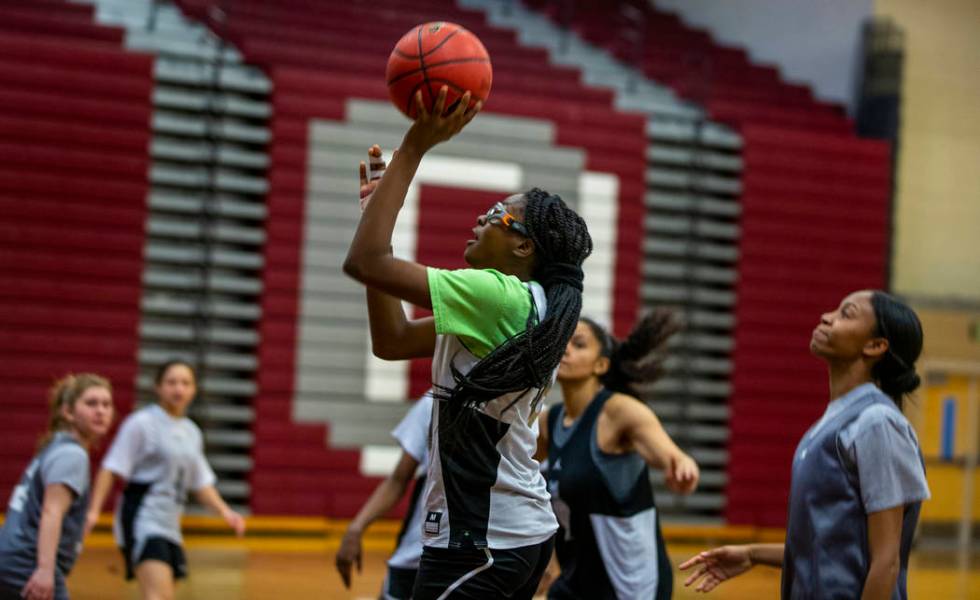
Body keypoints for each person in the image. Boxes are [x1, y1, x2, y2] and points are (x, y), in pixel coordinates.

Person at [343, 87, 593, 599]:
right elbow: (390, 341)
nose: (481, 218)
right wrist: (375, 219)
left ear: (525, 246)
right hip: (511, 534)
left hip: (482, 538)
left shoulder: (497, 297)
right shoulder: (524, 304)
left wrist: (412, 148)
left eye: (498, 213)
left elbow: (364, 264)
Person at [680, 290, 930, 599]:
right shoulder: (831, 422)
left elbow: (886, 561)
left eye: (846, 314)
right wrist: (752, 554)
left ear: (875, 346)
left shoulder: (876, 422)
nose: (827, 316)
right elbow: (826, 549)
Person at [537, 311, 699, 599]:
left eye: (579, 344)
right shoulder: (548, 422)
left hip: (629, 582)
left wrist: (682, 466)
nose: (566, 348)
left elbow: (668, 454)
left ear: (601, 365)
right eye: (564, 340)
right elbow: (529, 491)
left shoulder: (619, 411)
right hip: (576, 577)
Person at [85, 360, 245, 600]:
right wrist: (93, 511)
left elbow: (201, 483)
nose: (178, 389)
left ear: (194, 389)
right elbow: (111, 467)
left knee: (166, 594)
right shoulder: (141, 423)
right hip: (142, 519)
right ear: (158, 387)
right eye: (171, 382)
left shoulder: (192, 431)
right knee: (157, 595)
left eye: (185, 383)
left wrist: (225, 512)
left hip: (171, 524)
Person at [0, 373, 115, 600]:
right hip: (26, 563)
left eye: (106, 404)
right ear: (68, 412)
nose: (101, 411)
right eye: (91, 403)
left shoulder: (55, 446)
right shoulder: (72, 455)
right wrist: (44, 570)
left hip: (10, 558)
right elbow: (51, 512)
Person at [335, 391, 433, 599]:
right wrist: (356, 528)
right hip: (417, 556)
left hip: (486, 553)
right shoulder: (434, 403)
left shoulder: (514, 402)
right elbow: (398, 479)